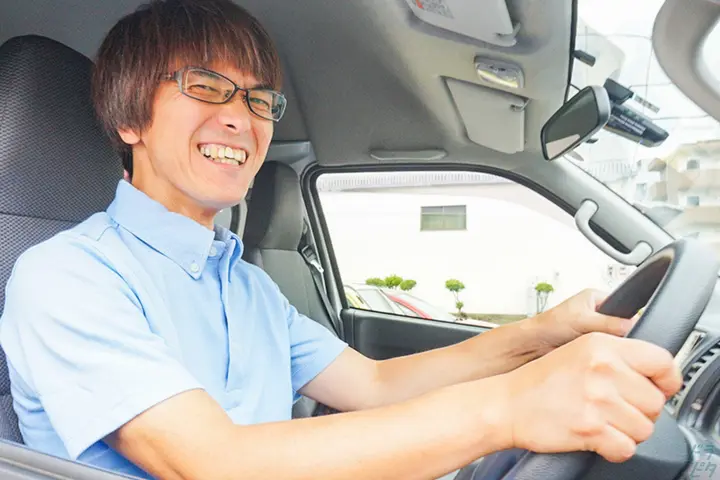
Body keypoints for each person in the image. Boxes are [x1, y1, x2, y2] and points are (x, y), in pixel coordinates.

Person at [0, 1, 681, 479]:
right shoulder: (68, 277)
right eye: (206, 87)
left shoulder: (245, 284)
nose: (241, 118)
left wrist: (542, 334)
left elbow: (377, 385)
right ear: (130, 119)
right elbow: (214, 464)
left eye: (259, 99)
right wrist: (509, 409)